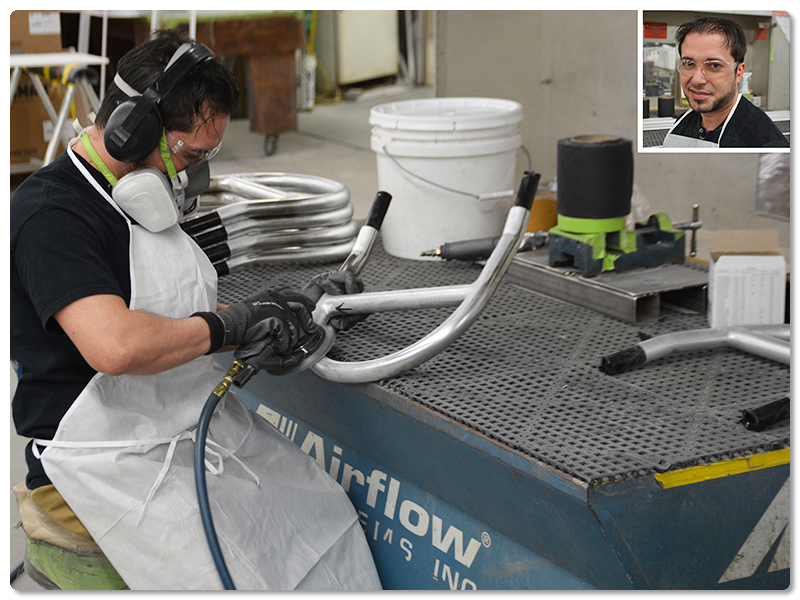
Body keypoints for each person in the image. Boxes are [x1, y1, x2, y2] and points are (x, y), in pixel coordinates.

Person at [11, 30, 381, 590]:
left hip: (171, 431)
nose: (193, 176)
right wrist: (231, 324)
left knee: (320, 514)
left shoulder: (138, 197)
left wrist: (287, 310)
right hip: (98, 463)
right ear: (131, 129)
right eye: (190, 155)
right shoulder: (52, 214)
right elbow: (116, 346)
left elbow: (176, 314)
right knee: (235, 575)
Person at [662, 16, 789, 148]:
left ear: (739, 72)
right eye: (688, 63)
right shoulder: (682, 123)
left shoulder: (764, 145)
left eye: (715, 65)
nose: (697, 80)